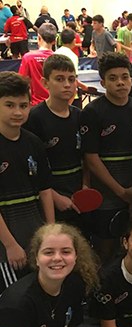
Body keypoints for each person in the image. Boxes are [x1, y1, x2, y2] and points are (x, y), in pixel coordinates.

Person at [80, 53, 132, 262]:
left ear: (131, 80)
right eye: (113, 78)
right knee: (105, 250)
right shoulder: (92, 112)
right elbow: (91, 160)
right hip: (106, 196)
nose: (120, 82)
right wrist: (121, 192)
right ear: (102, 83)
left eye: (124, 77)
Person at [0, 72, 54, 293]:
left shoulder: (34, 143)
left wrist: (50, 230)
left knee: (36, 293)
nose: (17, 112)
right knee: (13, 298)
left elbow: (45, 190)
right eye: (9, 105)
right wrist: (10, 244)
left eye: (23, 106)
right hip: (6, 245)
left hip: (35, 236)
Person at [24, 55, 85, 231]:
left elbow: (85, 158)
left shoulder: (79, 116)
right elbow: (31, 168)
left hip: (77, 195)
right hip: (50, 199)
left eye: (71, 79)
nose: (67, 84)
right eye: (59, 79)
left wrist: (85, 186)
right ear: (45, 83)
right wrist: (55, 197)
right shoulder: (34, 118)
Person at [18, 23, 56, 106]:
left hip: (35, 105)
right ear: (54, 41)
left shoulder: (28, 57)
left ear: (38, 37)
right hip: (55, 104)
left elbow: (22, 81)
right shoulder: (59, 58)